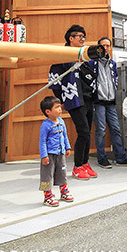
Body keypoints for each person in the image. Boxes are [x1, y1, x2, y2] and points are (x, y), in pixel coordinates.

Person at [49, 25, 99, 181]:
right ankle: (77, 166)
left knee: (88, 131)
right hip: (74, 98)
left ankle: (84, 163)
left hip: (88, 98)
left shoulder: (84, 56)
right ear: (71, 38)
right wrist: (61, 101)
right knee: (83, 131)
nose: (83, 39)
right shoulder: (62, 56)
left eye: (84, 36)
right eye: (79, 36)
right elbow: (54, 81)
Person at [92, 36, 127, 168]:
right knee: (101, 130)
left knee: (116, 129)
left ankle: (120, 157)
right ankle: (102, 158)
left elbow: (115, 80)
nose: (106, 48)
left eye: (108, 46)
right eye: (103, 45)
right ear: (98, 47)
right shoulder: (92, 62)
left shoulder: (112, 63)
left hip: (110, 101)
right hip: (98, 101)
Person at [39, 96, 73, 207]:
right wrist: (44, 155)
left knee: (62, 172)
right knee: (47, 175)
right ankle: (48, 196)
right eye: (57, 107)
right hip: (49, 154)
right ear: (48, 112)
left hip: (60, 153)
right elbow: (42, 141)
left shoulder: (62, 121)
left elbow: (65, 136)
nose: (60, 109)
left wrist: (67, 147)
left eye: (60, 107)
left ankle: (64, 191)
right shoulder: (45, 125)